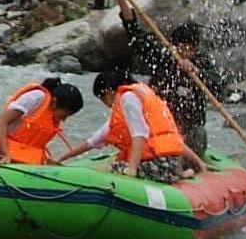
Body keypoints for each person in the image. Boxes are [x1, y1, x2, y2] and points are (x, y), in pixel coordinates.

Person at [119, 0, 223, 154]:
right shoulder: (163, 57)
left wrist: (196, 72)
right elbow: (135, 34)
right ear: (173, 45)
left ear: (195, 48)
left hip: (189, 130)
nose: (184, 52)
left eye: (189, 48)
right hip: (158, 127)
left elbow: (218, 90)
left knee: (198, 135)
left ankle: (186, 163)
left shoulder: (202, 63)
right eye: (180, 47)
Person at [62, 69, 205, 183]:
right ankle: (182, 174)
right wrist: (62, 158)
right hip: (173, 165)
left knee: (101, 170)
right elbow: (91, 143)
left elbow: (140, 134)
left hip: (160, 166)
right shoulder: (144, 95)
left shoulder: (127, 98)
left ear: (108, 92)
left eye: (103, 99)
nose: (105, 104)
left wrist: (131, 169)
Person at [0, 77, 84, 164]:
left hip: (26, 161)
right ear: (54, 102)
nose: (64, 120)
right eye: (65, 114)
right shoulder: (36, 98)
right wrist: (5, 154)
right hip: (6, 157)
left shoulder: (51, 114)